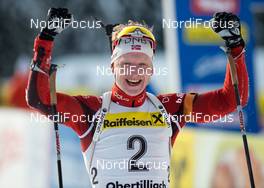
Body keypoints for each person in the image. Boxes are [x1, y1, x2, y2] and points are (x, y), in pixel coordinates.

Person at [26, 8, 248, 187]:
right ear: (113, 67)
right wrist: (45, 39)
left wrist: (235, 47)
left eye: (142, 65)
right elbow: (39, 100)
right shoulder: (93, 111)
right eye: (126, 65)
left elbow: (232, 100)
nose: (134, 72)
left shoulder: (169, 109)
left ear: (151, 70)